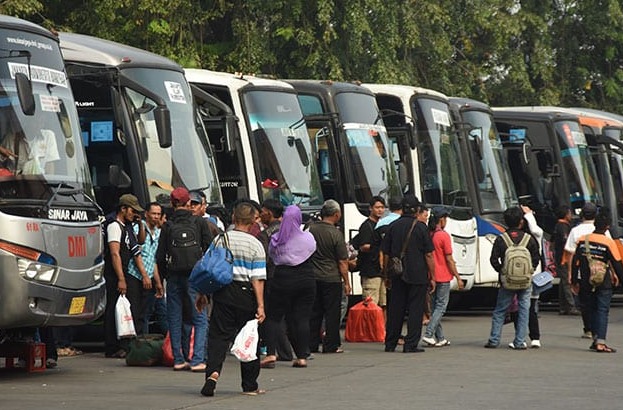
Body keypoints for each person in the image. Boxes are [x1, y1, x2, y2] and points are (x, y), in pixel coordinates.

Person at [198, 201, 267, 397]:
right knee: (249, 339)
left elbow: (208, 269)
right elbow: (258, 279)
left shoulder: (221, 239)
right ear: (253, 220)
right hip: (247, 296)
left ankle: (212, 374)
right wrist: (260, 305)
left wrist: (202, 293)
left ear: (234, 218)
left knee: (218, 337)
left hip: (223, 293)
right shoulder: (256, 244)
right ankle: (250, 385)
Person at [156, 187, 213, 372]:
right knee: (200, 318)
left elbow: (160, 256)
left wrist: (164, 278)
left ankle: (178, 359)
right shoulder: (199, 222)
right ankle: (197, 360)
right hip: (195, 277)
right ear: (188, 202)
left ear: (172, 204)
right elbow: (210, 249)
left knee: (174, 317)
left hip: (174, 276)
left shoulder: (168, 225)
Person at [263, 205, 317, 368]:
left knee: (273, 316)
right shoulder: (307, 237)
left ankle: (271, 353)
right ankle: (301, 356)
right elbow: (312, 250)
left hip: (282, 277)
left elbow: (272, 255)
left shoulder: (276, 238)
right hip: (306, 277)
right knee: (302, 318)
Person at [382, 195, 435, 353]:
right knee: (415, 309)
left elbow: (385, 253)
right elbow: (429, 255)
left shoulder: (393, 226)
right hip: (418, 274)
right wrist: (432, 276)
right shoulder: (421, 228)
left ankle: (390, 343)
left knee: (395, 309)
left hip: (397, 274)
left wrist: (386, 274)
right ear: (417, 210)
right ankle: (410, 344)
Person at [484, 206, 540, 350]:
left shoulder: (501, 239)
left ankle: (494, 340)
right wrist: (529, 271)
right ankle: (519, 341)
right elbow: (536, 258)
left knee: (500, 310)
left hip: (507, 281)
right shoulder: (529, 239)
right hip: (525, 281)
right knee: (524, 309)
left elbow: (493, 259)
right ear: (521, 221)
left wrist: (503, 272)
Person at [103, 193, 150, 358]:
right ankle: (112, 346)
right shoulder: (114, 226)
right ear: (123, 209)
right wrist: (121, 279)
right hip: (114, 273)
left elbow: (139, 244)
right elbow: (115, 253)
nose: (134, 214)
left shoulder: (128, 227)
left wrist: (140, 224)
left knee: (123, 309)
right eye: (132, 210)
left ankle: (122, 344)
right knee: (113, 310)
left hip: (123, 271)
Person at [571, 211, 623, 352]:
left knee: (591, 309)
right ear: (607, 227)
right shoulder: (608, 242)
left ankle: (595, 339)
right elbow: (617, 264)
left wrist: (574, 281)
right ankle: (600, 342)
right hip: (603, 281)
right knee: (602, 310)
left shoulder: (582, 240)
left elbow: (575, 262)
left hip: (586, 281)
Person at [308, 199, 351, 354]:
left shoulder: (310, 229)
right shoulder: (335, 234)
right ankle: (331, 344)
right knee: (332, 312)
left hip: (313, 276)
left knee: (314, 312)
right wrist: (346, 282)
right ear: (336, 214)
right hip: (331, 278)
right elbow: (342, 262)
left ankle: (311, 344)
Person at [257, 199, 294, 367]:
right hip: (292, 275)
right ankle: (290, 351)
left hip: (273, 276)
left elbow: (264, 259)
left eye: (262, 211)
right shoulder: (292, 231)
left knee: (273, 315)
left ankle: (273, 352)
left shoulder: (266, 235)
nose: (260, 215)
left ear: (270, 213)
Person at [564, 202, 610, 339]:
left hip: (583, 272)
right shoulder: (603, 230)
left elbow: (571, 255)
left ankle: (588, 329)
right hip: (601, 272)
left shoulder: (575, 231)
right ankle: (598, 330)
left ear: (581, 215)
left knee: (585, 301)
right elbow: (610, 251)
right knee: (600, 303)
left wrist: (571, 275)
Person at [421, 206, 463, 347]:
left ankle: (441, 338)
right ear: (441, 219)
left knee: (434, 307)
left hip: (430, 275)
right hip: (443, 275)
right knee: (441, 307)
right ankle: (428, 334)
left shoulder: (429, 234)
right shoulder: (443, 236)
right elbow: (449, 259)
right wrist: (457, 276)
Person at [128, 202, 165, 335]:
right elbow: (137, 255)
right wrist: (144, 276)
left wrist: (158, 283)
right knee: (136, 312)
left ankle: (143, 343)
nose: (156, 217)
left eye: (158, 214)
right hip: (135, 276)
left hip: (149, 277)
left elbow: (153, 259)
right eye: (153, 213)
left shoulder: (159, 233)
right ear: (146, 214)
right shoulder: (138, 228)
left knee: (145, 314)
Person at [355, 196, 387, 308]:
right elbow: (363, 246)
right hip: (370, 271)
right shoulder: (366, 226)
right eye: (377, 207)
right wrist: (380, 247)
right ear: (370, 208)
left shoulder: (381, 225)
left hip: (381, 271)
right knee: (370, 305)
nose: (380, 210)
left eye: (382, 207)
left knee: (383, 304)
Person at [520, 205, 545, 348]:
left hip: (519, 277)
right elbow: (535, 228)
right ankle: (535, 337)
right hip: (535, 275)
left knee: (521, 308)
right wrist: (529, 214)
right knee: (531, 308)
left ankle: (521, 338)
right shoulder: (537, 235)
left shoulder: (515, 236)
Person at [552, 205, 579, 315]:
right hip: (564, 258)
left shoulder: (558, 226)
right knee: (567, 281)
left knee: (563, 281)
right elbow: (566, 243)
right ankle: (570, 306)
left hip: (559, 257)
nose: (571, 215)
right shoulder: (563, 226)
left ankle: (563, 306)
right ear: (565, 214)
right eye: (569, 213)